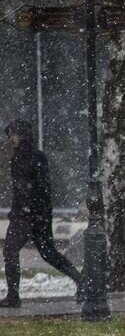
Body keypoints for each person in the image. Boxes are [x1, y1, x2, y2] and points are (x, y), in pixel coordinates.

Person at [2, 119, 83, 308]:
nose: (11, 139)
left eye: (14, 134)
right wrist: (16, 213)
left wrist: (40, 213)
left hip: (35, 216)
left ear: (23, 135)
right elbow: (20, 190)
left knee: (48, 253)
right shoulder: (16, 159)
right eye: (10, 135)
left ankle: (81, 281)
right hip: (22, 216)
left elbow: (43, 188)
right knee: (11, 250)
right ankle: (13, 295)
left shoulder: (37, 158)